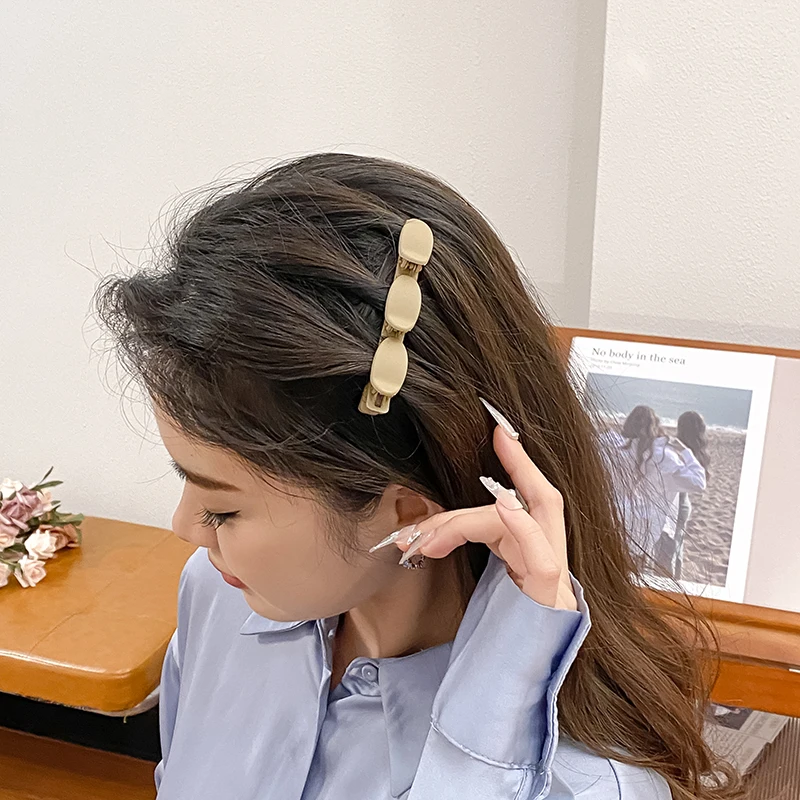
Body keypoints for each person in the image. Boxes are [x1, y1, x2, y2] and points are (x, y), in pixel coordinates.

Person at [94, 154, 740, 799]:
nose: (185, 528)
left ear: (407, 512)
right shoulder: (216, 596)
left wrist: (481, 757)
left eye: (224, 510)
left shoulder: (589, 785)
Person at [609, 406, 707, 575]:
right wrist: (685, 452)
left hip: (618, 519)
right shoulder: (664, 457)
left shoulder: (613, 450)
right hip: (648, 526)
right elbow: (699, 482)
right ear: (654, 427)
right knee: (640, 572)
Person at [665, 411, 711, 580]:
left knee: (669, 547)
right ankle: (676, 579)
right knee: (678, 545)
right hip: (684, 505)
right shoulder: (699, 451)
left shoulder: (677, 448)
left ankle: (671, 582)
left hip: (673, 503)